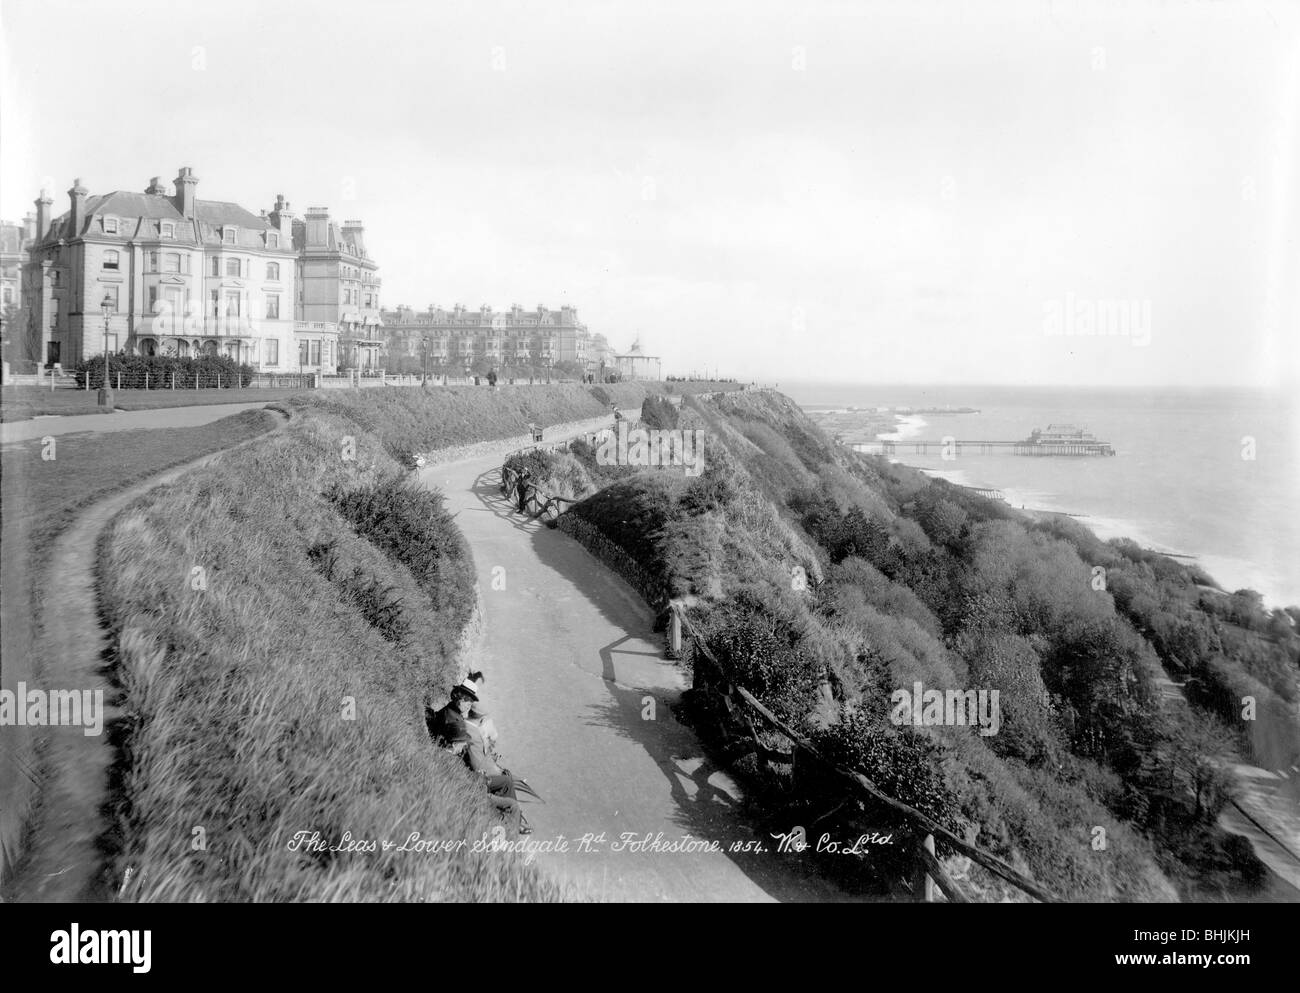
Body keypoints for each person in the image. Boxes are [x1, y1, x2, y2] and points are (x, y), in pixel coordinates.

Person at [428, 680, 530, 834]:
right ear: (457, 697)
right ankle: (512, 825)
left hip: (465, 774)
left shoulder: (449, 711)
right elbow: (458, 750)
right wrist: (477, 774)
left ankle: (515, 820)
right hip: (469, 780)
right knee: (507, 785)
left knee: (506, 782)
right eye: (466, 700)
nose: (469, 704)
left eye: (471, 701)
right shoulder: (458, 725)